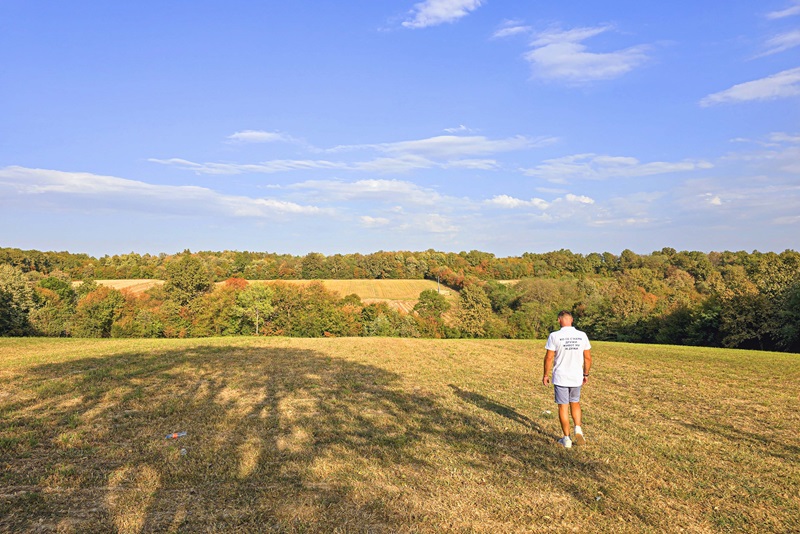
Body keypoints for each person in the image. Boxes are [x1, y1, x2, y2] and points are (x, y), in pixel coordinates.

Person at [542, 310, 592, 448]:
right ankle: (578, 428)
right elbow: (587, 358)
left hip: (561, 377)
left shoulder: (554, 336)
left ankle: (566, 439)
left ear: (559, 320)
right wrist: (585, 374)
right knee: (575, 403)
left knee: (563, 407)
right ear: (572, 320)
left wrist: (545, 374)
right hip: (576, 376)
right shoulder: (582, 335)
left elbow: (549, 357)